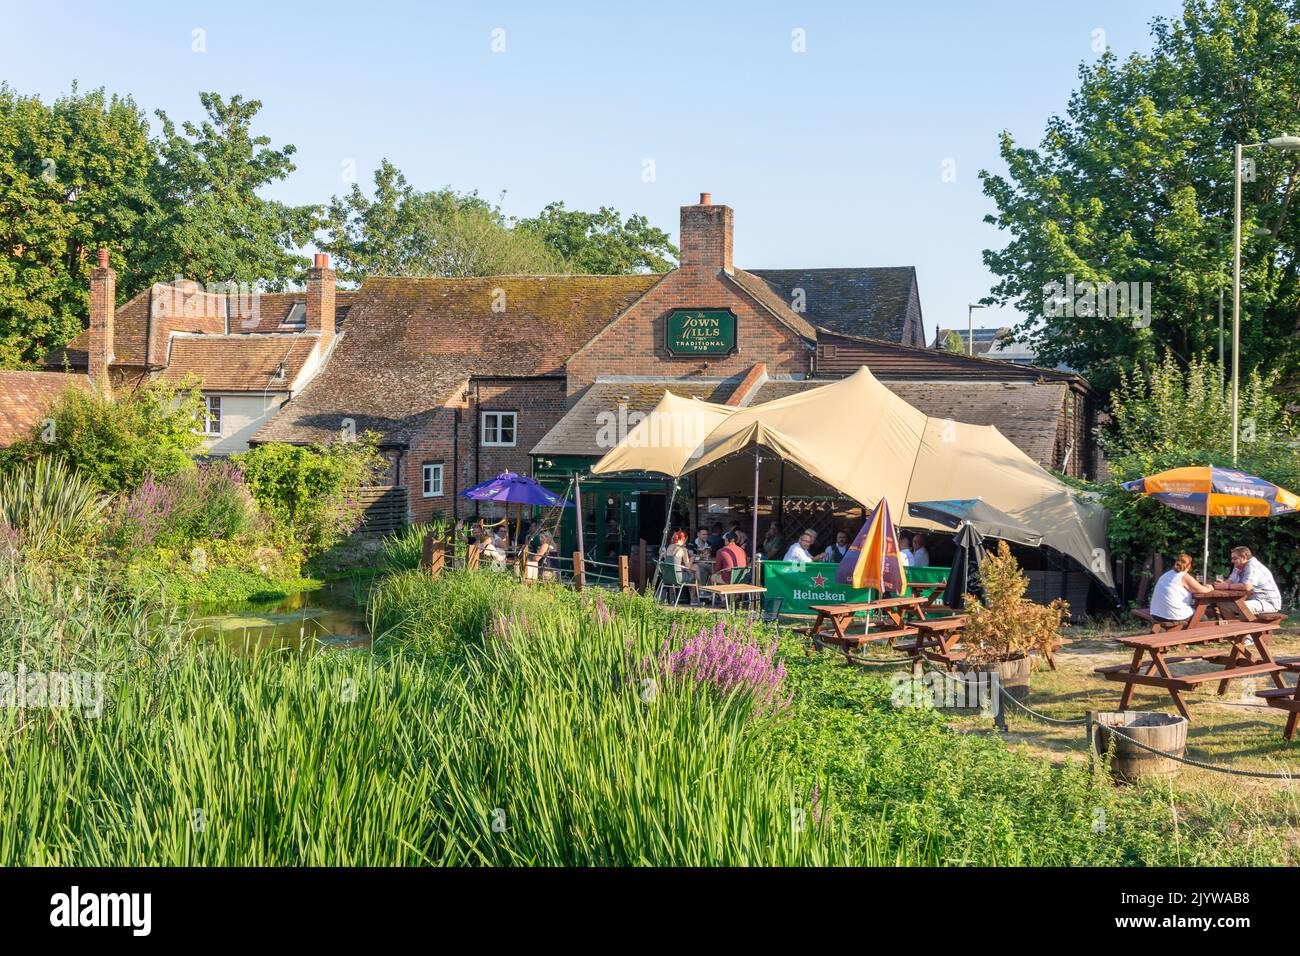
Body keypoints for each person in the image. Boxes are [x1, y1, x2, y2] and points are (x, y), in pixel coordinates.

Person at [1217, 546, 1282, 614]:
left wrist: (1226, 586)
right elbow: (1231, 580)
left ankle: (1235, 624)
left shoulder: (1252, 566)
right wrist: (1222, 584)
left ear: (1244, 558)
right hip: (1254, 600)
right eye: (1232, 559)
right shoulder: (1239, 565)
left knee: (1226, 605)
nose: (1232, 561)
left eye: (1235, 559)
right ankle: (1232, 623)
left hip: (1267, 602)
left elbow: (1247, 586)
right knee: (1222, 603)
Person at [1151, 552, 1213, 622]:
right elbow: (1202, 590)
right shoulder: (1184, 576)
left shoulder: (1166, 574)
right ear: (1189, 566)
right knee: (1202, 618)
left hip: (1156, 613)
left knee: (1193, 611)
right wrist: (1210, 587)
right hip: (1173, 615)